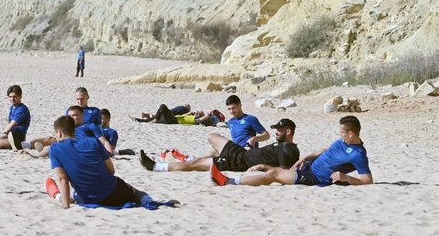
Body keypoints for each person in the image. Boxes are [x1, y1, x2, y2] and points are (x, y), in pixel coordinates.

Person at [211, 116, 371, 187]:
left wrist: (347, 178)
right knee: (275, 169)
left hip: (313, 177)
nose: (340, 135)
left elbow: (367, 181)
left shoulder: (359, 155)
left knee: (273, 175)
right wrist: (305, 158)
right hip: (307, 166)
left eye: (342, 133)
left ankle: (228, 182)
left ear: (351, 133)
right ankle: (256, 169)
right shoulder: (343, 142)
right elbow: (326, 150)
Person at [45, 115, 161, 208]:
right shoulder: (93, 141)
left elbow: (62, 178)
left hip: (87, 197)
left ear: (59, 133)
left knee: (73, 196)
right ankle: (148, 201)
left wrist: (65, 206)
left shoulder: (55, 149)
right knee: (134, 192)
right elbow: (111, 170)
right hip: (113, 193)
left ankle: (58, 196)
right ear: (74, 131)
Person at [141, 118, 299, 173]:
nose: (277, 132)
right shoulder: (282, 145)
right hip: (241, 152)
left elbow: (284, 172)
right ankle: (208, 157)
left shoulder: (288, 149)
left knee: (195, 164)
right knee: (212, 136)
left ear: (289, 131)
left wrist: (263, 166)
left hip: (239, 162)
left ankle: (156, 167)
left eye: (279, 130)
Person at [133, 103, 223, 126]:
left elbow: (201, 120)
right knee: (160, 116)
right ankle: (139, 120)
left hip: (173, 121)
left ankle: (155, 120)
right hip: (173, 119)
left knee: (163, 106)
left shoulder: (196, 120)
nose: (198, 112)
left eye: (200, 113)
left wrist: (208, 114)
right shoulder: (192, 116)